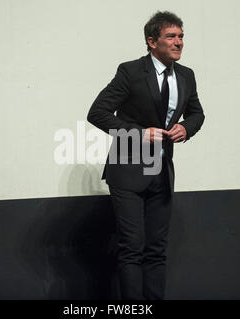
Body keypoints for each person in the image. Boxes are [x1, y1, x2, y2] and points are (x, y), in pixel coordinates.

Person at [87, 11, 205, 300]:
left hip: (162, 172)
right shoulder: (130, 71)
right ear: (152, 41)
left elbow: (197, 113)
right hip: (128, 171)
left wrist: (186, 128)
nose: (178, 42)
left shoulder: (186, 75)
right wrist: (137, 133)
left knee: (156, 250)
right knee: (133, 247)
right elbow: (97, 113)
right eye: (171, 36)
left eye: (181, 37)